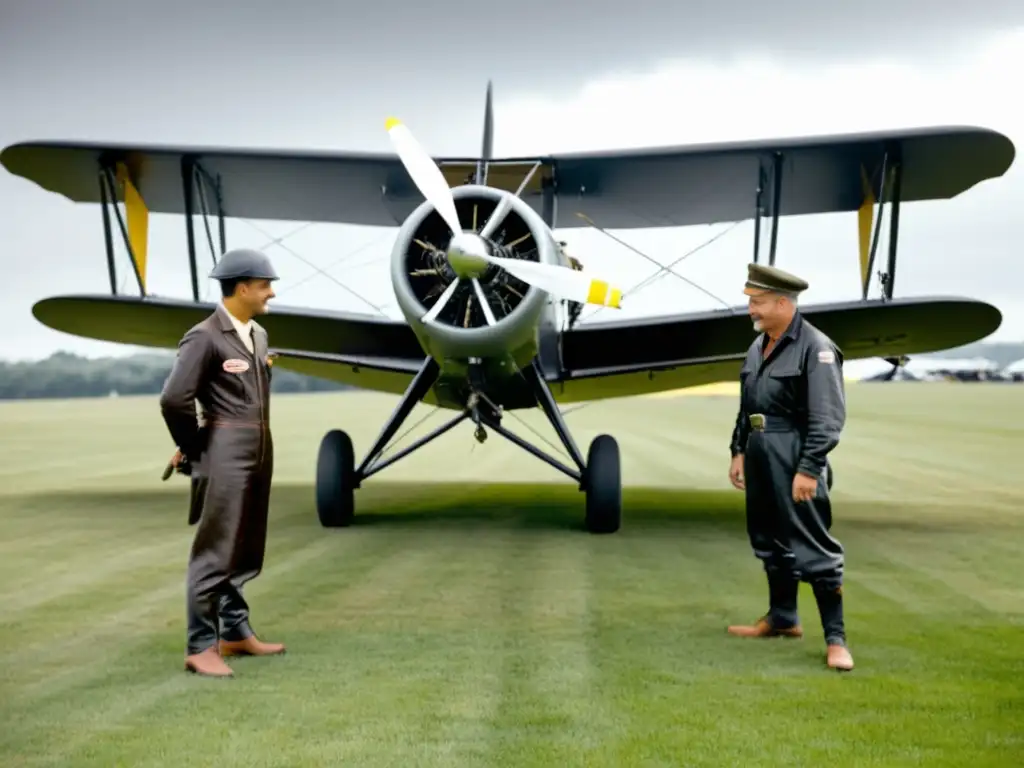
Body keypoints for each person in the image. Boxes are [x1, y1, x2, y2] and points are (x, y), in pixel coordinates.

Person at [159, 247, 285, 678]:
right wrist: (195, 447)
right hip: (224, 451)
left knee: (246, 547)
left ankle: (234, 632)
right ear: (243, 287)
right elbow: (174, 399)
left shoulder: (258, 335)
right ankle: (200, 646)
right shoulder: (204, 336)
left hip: (260, 449)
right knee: (215, 551)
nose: (270, 293)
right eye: (265, 285)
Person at [726, 262, 854, 672]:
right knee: (768, 539)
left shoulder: (816, 347)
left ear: (783, 302)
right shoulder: (759, 344)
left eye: (758, 302)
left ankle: (836, 641)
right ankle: (783, 619)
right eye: (751, 301)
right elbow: (748, 406)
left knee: (813, 546)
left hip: (795, 452)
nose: (751, 309)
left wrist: (810, 467)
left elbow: (828, 416)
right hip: (760, 449)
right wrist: (738, 451)